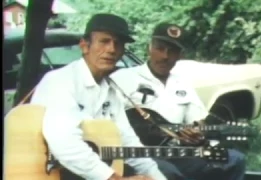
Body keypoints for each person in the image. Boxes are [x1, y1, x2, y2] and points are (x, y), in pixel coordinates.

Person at [30, 14, 167, 180]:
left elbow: (128, 143)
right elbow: (65, 144)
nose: (111, 49)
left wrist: (157, 177)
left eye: (118, 44)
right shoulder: (60, 81)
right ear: (84, 46)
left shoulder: (112, 91)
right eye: (104, 41)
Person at [111, 22, 246, 180]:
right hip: (137, 156)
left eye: (172, 51)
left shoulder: (182, 84)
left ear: (180, 55)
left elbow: (198, 121)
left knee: (235, 159)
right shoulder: (122, 79)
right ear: (150, 48)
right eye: (160, 48)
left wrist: (197, 134)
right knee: (168, 173)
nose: (165, 57)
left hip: (177, 153)